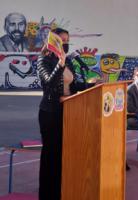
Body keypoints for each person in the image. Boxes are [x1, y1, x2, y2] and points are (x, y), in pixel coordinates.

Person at [37, 28, 97, 200]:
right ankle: (48, 194)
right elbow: (48, 84)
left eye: (67, 40)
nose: (65, 43)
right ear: (52, 42)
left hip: (69, 112)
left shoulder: (69, 61)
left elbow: (74, 86)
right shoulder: (44, 60)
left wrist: (94, 85)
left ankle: (62, 190)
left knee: (65, 154)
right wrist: (60, 64)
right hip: (50, 113)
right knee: (51, 155)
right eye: (61, 40)